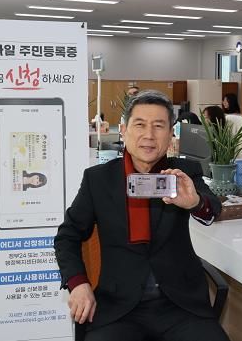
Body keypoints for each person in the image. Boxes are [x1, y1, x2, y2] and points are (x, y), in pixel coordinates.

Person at [55, 90, 229, 341]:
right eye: (140, 125)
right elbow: (67, 236)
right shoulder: (99, 179)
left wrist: (195, 202)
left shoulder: (183, 174)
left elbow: (213, 210)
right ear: (123, 130)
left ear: (170, 134)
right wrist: (78, 282)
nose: (149, 135)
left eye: (159, 126)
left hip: (181, 307)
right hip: (119, 309)